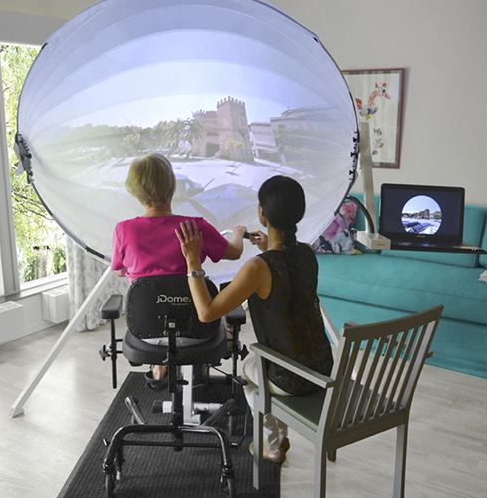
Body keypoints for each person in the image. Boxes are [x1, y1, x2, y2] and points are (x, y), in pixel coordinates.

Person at [176, 175, 333, 463]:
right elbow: (287, 281)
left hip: (292, 378)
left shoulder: (258, 268)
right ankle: (277, 436)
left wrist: (192, 261)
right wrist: (268, 251)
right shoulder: (307, 254)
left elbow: (206, 312)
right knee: (264, 365)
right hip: (322, 367)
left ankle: (270, 444)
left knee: (249, 373)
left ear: (262, 214)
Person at [111, 153, 246, 386]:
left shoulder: (124, 230)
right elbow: (234, 252)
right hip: (200, 333)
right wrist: (238, 234)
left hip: (147, 335)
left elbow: (118, 270)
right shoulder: (195, 227)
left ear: (135, 191)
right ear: (172, 187)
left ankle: (160, 365)